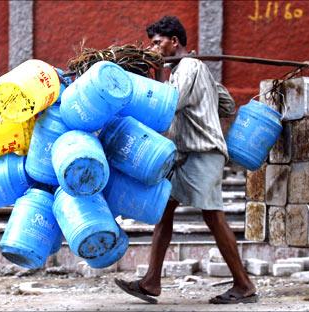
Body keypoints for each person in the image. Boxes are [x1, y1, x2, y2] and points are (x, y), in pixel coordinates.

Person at [114, 15, 257, 304]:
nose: (153, 48)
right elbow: (226, 103)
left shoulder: (190, 66)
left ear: (174, 41)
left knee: (213, 216)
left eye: (157, 43)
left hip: (203, 153)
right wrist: (206, 96)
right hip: (183, 155)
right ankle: (151, 282)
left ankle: (244, 285)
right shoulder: (193, 68)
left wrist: (153, 75)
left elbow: (170, 103)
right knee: (164, 214)